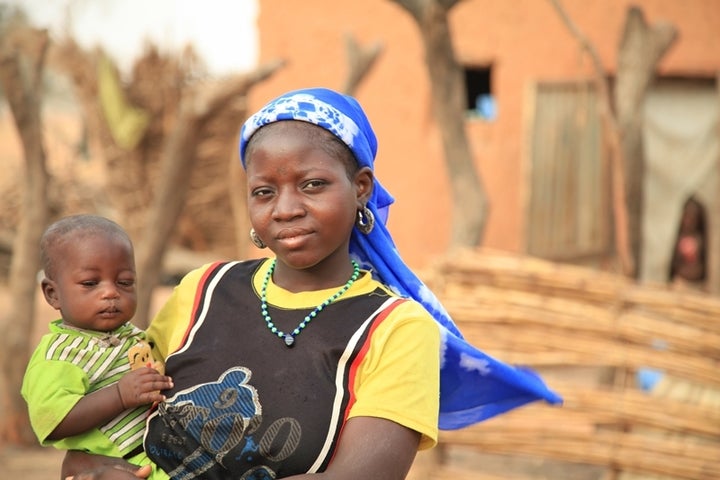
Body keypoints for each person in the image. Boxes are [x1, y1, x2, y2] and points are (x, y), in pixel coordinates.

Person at [62, 88, 561, 480]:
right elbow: (107, 410)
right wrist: (84, 468)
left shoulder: (397, 330)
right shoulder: (202, 290)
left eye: (312, 184)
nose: (285, 208)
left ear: (360, 187)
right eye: (264, 191)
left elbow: (359, 477)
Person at [21, 214, 173, 479]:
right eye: (91, 283)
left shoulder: (134, 336)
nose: (110, 293)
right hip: (111, 466)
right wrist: (119, 395)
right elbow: (52, 421)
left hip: (159, 455)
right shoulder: (60, 354)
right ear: (52, 293)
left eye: (124, 282)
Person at [668, 195, 707, 289]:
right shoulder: (680, 237)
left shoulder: (701, 240)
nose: (688, 221)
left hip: (697, 285)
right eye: (687, 217)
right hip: (680, 283)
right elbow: (674, 265)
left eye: (692, 218)